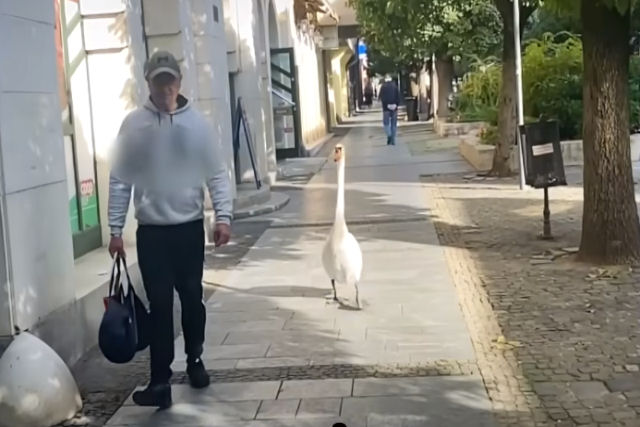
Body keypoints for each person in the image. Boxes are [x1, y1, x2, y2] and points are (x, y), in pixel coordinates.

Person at [108, 50, 233, 409]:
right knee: (160, 306)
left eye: (170, 80)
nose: (165, 87)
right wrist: (116, 229)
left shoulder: (198, 124)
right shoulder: (133, 125)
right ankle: (160, 381)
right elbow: (120, 179)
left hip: (189, 230)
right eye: (158, 80)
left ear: (179, 82)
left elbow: (216, 173)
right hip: (152, 234)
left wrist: (223, 217)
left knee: (192, 298)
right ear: (147, 83)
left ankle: (195, 358)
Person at [379, 74, 401, 145]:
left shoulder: (383, 87)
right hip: (394, 107)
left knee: (386, 123)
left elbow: (381, 97)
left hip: (386, 108)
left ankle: (389, 135)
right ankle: (393, 140)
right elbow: (398, 96)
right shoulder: (395, 86)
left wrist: (385, 104)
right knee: (394, 124)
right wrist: (396, 104)